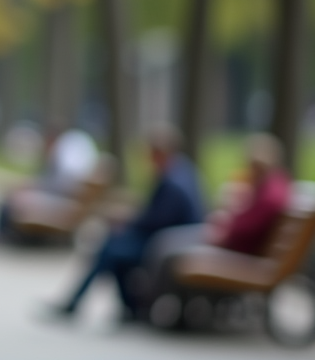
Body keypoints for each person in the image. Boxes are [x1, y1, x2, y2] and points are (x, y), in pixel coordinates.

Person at [49, 125, 204, 322]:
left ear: (159, 153)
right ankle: (126, 307)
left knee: (111, 251)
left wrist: (127, 221)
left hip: (165, 244)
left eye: (149, 153)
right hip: (170, 240)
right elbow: (158, 215)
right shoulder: (182, 170)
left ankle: (95, 304)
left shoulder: (171, 182)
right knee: (112, 246)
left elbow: (156, 221)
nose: (147, 159)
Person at [141, 133, 291, 306]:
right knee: (165, 241)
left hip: (235, 250)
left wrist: (227, 224)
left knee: (168, 249)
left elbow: (247, 227)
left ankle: (153, 304)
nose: (248, 170)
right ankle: (161, 303)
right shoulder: (267, 185)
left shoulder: (271, 194)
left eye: (252, 165)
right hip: (229, 241)